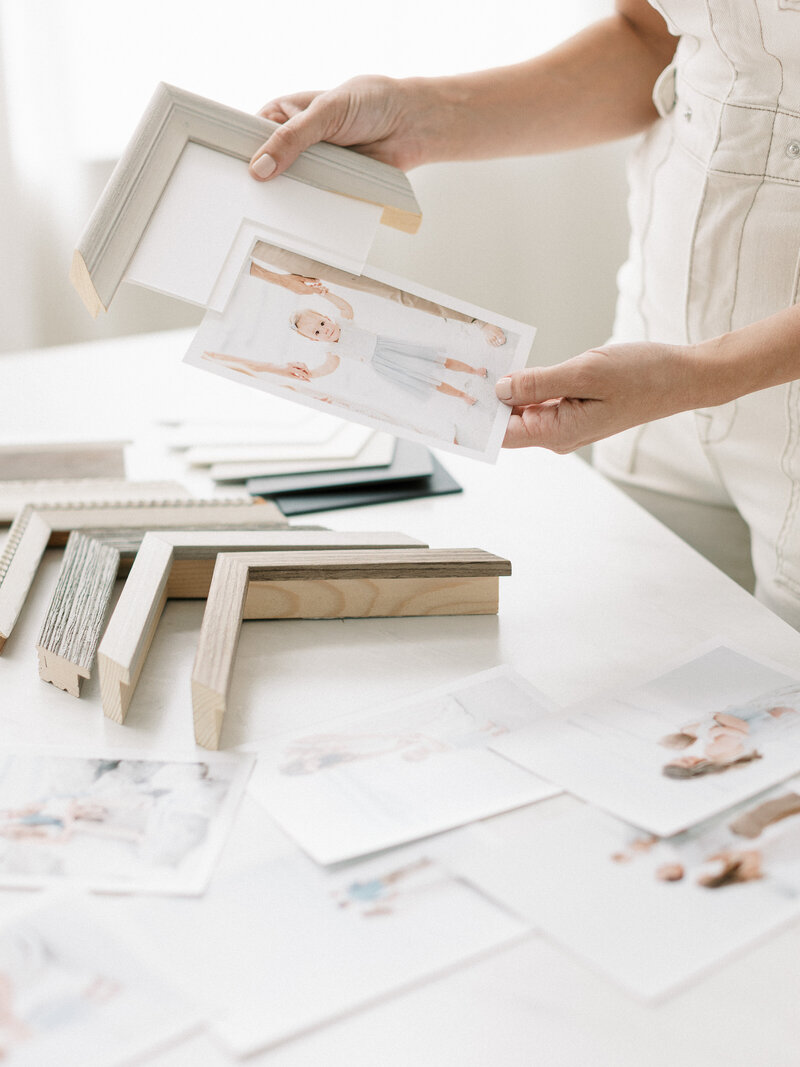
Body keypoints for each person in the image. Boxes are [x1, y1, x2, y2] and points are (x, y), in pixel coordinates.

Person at [246, 0, 800, 630]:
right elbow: (650, 38)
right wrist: (418, 118)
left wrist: (694, 376)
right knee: (640, 670)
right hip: (656, 369)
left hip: (750, 396)